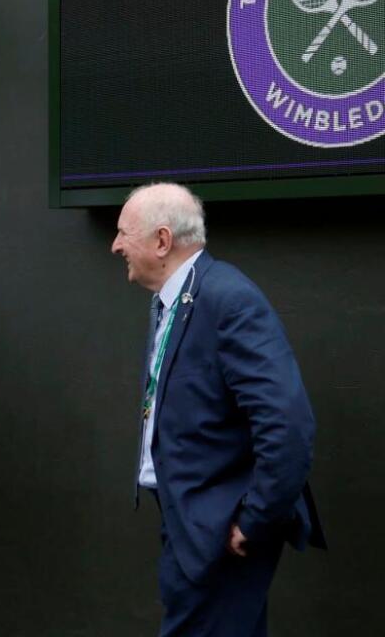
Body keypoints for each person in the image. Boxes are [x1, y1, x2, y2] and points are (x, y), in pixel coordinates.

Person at [111, 182, 326, 636]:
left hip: (222, 533)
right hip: (189, 522)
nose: (116, 246)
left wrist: (256, 520)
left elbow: (287, 423)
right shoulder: (171, 302)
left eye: (123, 233)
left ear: (162, 241)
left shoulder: (227, 298)